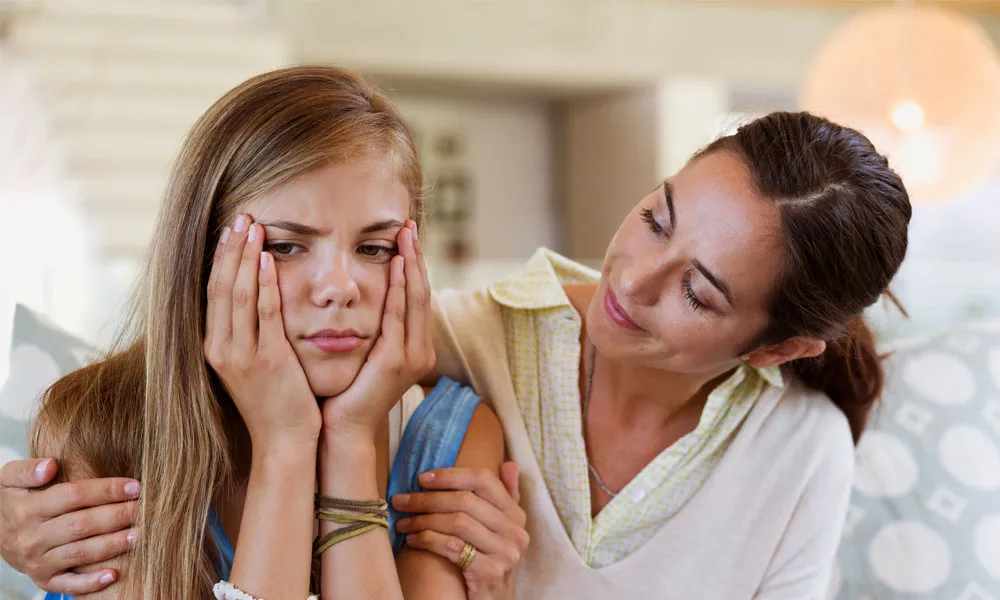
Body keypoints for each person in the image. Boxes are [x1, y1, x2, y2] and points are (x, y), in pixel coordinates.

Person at [3, 111, 910, 599]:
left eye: (699, 291)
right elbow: (213, 352)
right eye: (655, 218)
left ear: (780, 347)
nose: (631, 280)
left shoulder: (803, 448)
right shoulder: (434, 340)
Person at [0, 65, 527, 600]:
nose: (340, 288)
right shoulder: (98, 431)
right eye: (285, 246)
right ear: (205, 257)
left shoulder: (451, 438)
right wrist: (285, 444)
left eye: (374, 248)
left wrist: (348, 444)